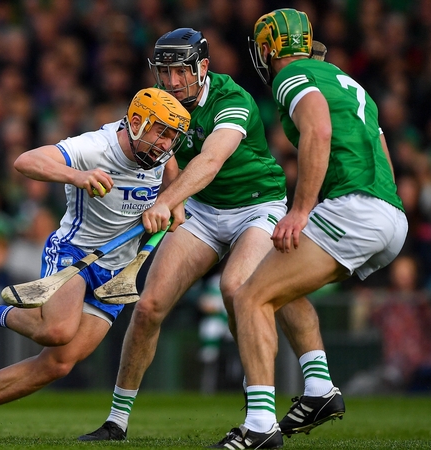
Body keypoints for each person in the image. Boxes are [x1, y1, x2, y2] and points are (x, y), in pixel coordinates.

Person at [80, 28, 336, 443]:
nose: (173, 81)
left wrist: (167, 200)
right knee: (148, 308)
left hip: (258, 204)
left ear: (202, 67)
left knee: (239, 288)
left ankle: (263, 416)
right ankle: (116, 422)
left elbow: (212, 158)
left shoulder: (232, 100)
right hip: (203, 211)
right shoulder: (159, 102)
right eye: (164, 72)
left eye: (181, 71)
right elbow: (158, 152)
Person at [0, 87, 191, 441]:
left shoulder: (159, 156)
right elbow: (26, 161)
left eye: (173, 137)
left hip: (116, 270)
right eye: (161, 132)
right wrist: (77, 176)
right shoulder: (96, 146)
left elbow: (172, 170)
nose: (166, 144)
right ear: (137, 123)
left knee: (58, 363)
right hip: (74, 253)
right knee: (57, 331)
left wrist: (174, 201)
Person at [209, 9, 407, 448]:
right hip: (389, 213)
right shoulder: (343, 79)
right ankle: (319, 389)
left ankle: (259, 425)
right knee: (277, 284)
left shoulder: (291, 76)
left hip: (353, 208)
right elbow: (382, 148)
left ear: (267, 49)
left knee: (247, 295)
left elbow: (317, 129)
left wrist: (300, 211)